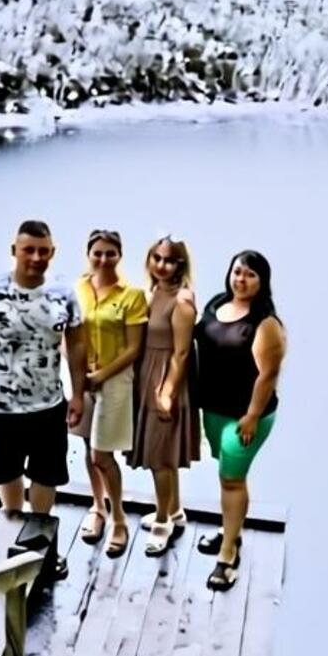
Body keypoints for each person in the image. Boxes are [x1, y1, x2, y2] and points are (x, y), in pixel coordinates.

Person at [0, 220, 87, 520]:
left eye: (43, 251)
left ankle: (40, 531)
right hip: (2, 407)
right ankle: (11, 524)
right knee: (7, 473)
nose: (36, 257)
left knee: (47, 475)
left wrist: (78, 394)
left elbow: (77, 344)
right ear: (15, 250)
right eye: (29, 250)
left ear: (52, 252)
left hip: (49, 405)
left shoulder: (63, 293)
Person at [193, 250, 286, 591]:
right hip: (213, 409)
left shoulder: (265, 324)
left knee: (232, 479)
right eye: (237, 272)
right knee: (227, 476)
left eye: (250, 275)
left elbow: (268, 374)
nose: (241, 280)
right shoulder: (217, 303)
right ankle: (230, 528)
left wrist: (252, 416)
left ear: (262, 281)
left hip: (246, 416)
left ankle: (228, 554)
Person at [72, 228, 148, 557]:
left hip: (115, 379)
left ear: (119, 255)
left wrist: (101, 375)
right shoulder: (79, 288)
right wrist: (77, 375)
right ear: (88, 254)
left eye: (110, 253)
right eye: (97, 253)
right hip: (82, 378)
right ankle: (97, 507)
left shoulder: (132, 295)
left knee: (102, 455)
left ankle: (119, 518)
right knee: (87, 444)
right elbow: (70, 335)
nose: (103, 259)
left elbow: (134, 349)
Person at [129, 235, 199, 557]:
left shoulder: (182, 301)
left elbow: (182, 353)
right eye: (157, 258)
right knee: (165, 454)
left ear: (180, 265)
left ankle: (161, 522)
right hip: (148, 374)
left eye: (169, 260)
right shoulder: (154, 291)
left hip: (166, 379)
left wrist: (167, 392)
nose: (161, 265)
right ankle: (175, 511)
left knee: (160, 457)